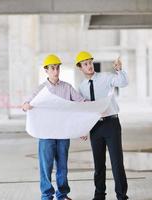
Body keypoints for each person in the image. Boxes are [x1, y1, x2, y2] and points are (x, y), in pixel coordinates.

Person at [21, 54, 85, 200]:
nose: (56, 71)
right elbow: (26, 104)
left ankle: (62, 195)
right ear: (46, 70)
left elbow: (81, 103)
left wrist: (94, 109)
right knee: (46, 167)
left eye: (57, 67)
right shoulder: (41, 90)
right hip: (46, 135)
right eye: (52, 68)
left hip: (63, 134)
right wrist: (26, 105)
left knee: (62, 167)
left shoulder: (67, 88)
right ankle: (46, 195)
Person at [76, 51, 129, 200]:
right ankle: (99, 195)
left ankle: (121, 196)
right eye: (85, 64)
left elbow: (123, 82)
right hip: (95, 127)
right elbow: (84, 110)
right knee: (99, 164)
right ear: (81, 68)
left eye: (90, 63)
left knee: (117, 162)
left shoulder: (105, 77)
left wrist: (119, 70)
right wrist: (83, 128)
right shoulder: (81, 88)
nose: (89, 66)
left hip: (111, 123)